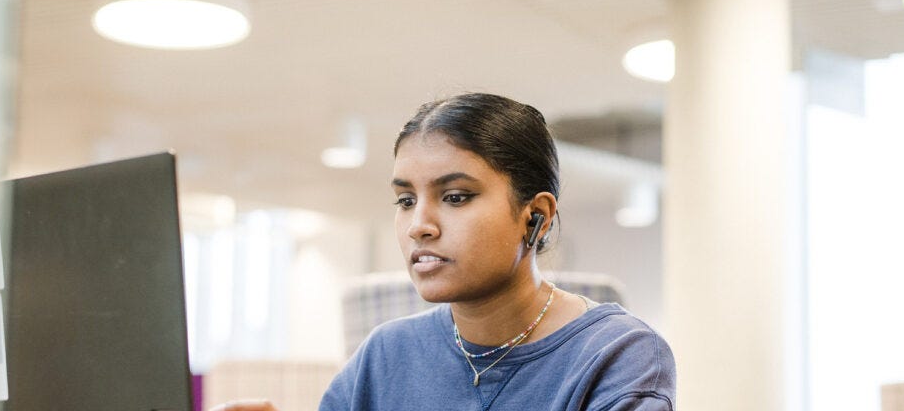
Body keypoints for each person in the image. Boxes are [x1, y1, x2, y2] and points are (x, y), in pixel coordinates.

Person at [212, 93, 676, 411]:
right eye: (406, 200)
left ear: (535, 215)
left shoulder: (617, 354)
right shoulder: (385, 355)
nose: (419, 226)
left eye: (455, 197)